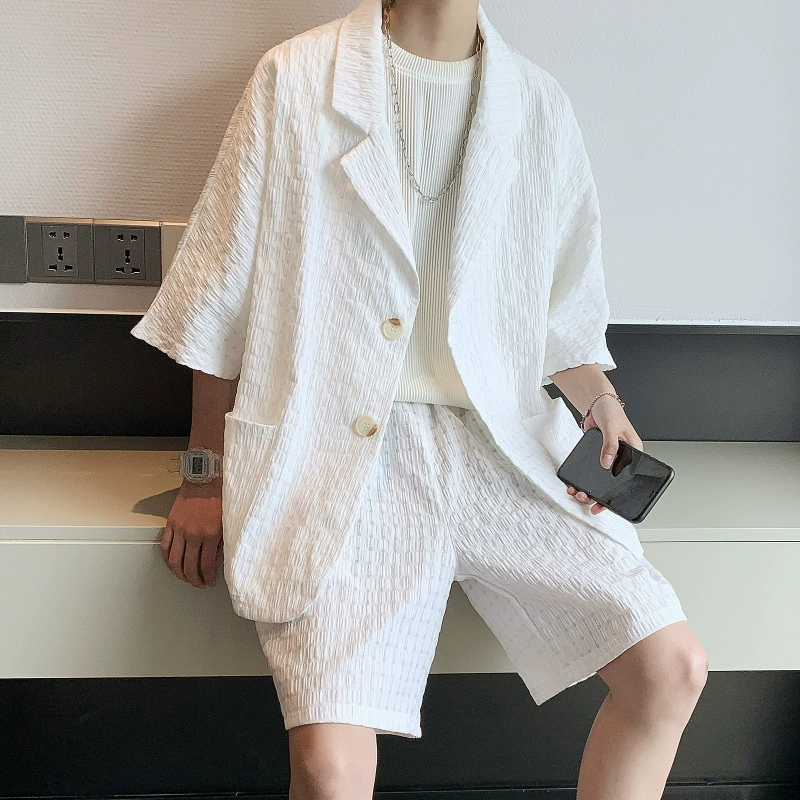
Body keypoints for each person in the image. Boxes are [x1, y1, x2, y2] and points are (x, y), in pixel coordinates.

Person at [131, 0, 709, 797]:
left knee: (672, 668)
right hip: (339, 452)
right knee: (329, 768)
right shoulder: (293, 79)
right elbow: (219, 303)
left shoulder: (537, 104)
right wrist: (205, 475)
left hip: (501, 446)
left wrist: (601, 401)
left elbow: (562, 311)